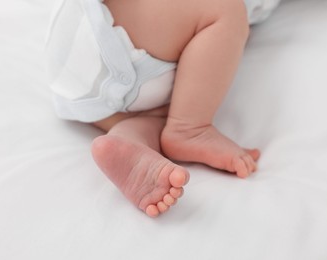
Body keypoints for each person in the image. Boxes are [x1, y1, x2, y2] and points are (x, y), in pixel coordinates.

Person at [46, 0, 280, 217]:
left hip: (88, 83)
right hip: (113, 31)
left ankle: (129, 138)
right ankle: (189, 128)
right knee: (224, 9)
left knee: (169, 108)